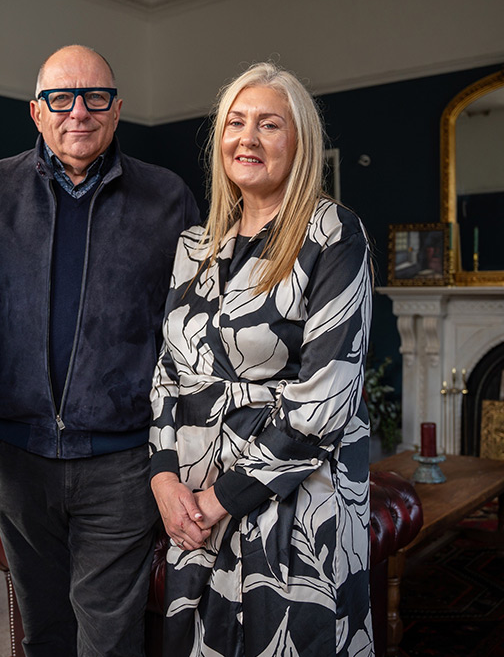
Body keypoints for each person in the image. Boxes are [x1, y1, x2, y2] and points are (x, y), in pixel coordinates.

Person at [0, 44, 201, 656]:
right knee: (42, 632)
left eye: (96, 97)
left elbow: (192, 339)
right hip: (15, 456)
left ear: (117, 111)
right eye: (61, 98)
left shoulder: (167, 199)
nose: (79, 111)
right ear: (37, 112)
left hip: (122, 461)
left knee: (109, 639)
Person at [150, 62, 375, 656]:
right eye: (236, 122)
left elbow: (325, 398)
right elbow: (168, 373)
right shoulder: (195, 245)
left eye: (269, 124)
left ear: (298, 143)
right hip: (194, 498)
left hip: (294, 502)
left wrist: (222, 499)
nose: (247, 138)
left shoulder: (333, 233)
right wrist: (165, 478)